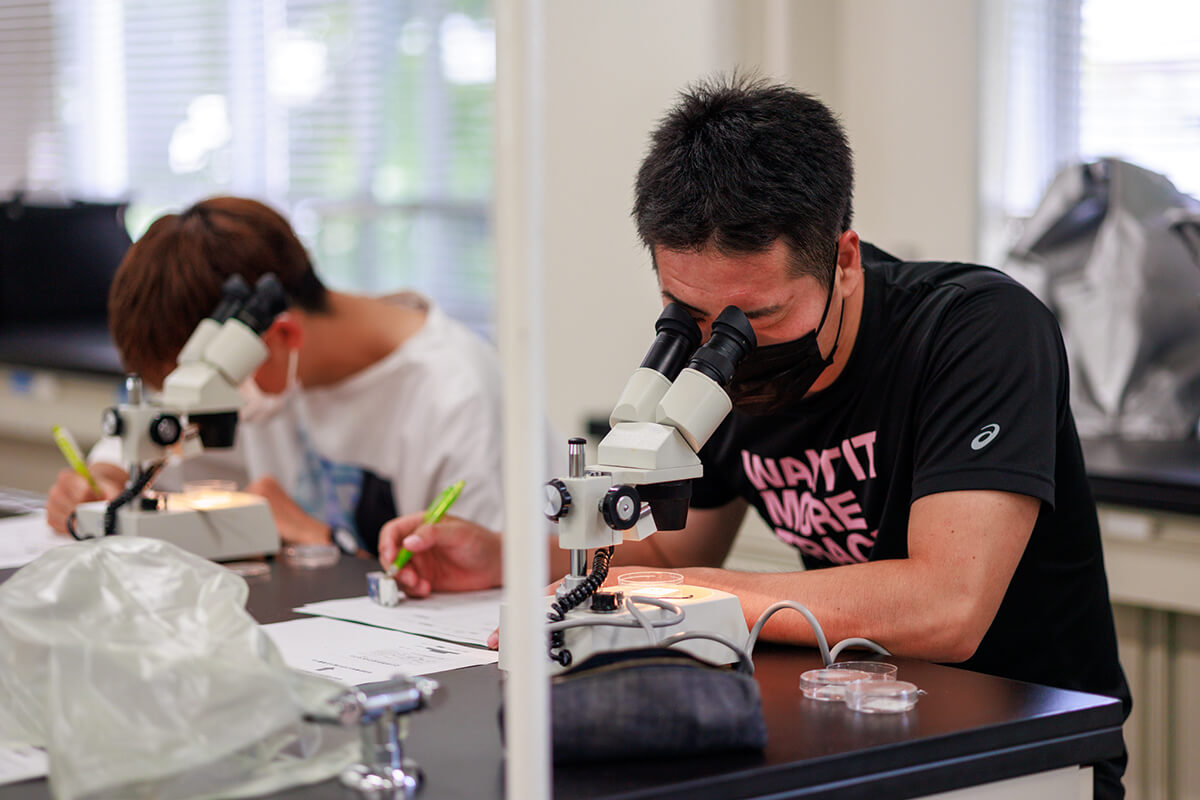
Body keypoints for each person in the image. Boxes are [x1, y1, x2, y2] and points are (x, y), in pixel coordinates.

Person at [376, 76, 1131, 797]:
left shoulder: (976, 330)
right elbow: (674, 552)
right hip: (851, 727)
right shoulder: (713, 362)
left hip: (1018, 746)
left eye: (755, 320)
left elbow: (946, 606)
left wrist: (687, 596)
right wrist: (504, 558)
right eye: (686, 313)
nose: (719, 349)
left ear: (842, 258)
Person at [46, 196, 506, 556]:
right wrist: (104, 480)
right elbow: (165, 435)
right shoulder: (251, 373)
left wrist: (325, 540)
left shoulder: (457, 395)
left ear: (280, 334)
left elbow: (481, 586)